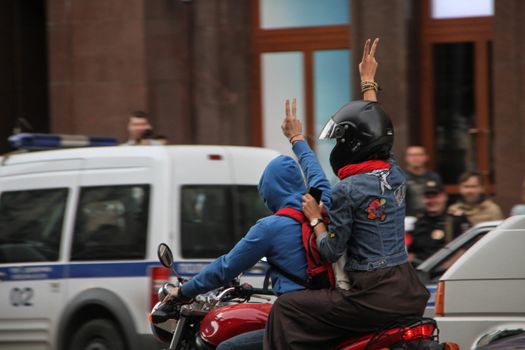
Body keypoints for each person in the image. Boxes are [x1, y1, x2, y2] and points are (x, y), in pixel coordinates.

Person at [264, 38, 430, 350]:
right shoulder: (395, 174)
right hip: (408, 292)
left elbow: (330, 250)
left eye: (342, 142)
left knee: (286, 309)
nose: (338, 149)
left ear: (353, 146)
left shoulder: (346, 191)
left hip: (370, 297)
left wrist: (316, 220)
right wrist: (368, 82)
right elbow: (377, 128)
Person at [165, 98, 332, 350]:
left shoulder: (270, 227)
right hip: (328, 311)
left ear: (269, 192)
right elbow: (316, 174)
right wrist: (297, 139)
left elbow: (226, 267)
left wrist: (184, 291)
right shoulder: (320, 205)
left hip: (296, 319)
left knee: (226, 348)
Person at [408, 179, 469, 265]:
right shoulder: (418, 222)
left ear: (445, 197)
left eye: (435, 196)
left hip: (445, 272)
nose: (432, 201)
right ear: (423, 199)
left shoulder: (456, 220)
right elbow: (411, 253)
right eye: (428, 197)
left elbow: (464, 251)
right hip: (420, 272)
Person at [404, 145, 443, 217]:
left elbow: (441, 198)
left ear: (426, 157)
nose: (415, 158)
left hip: (430, 218)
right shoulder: (400, 177)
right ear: (406, 158)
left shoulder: (434, 177)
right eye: (412, 155)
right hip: (406, 218)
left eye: (419, 155)